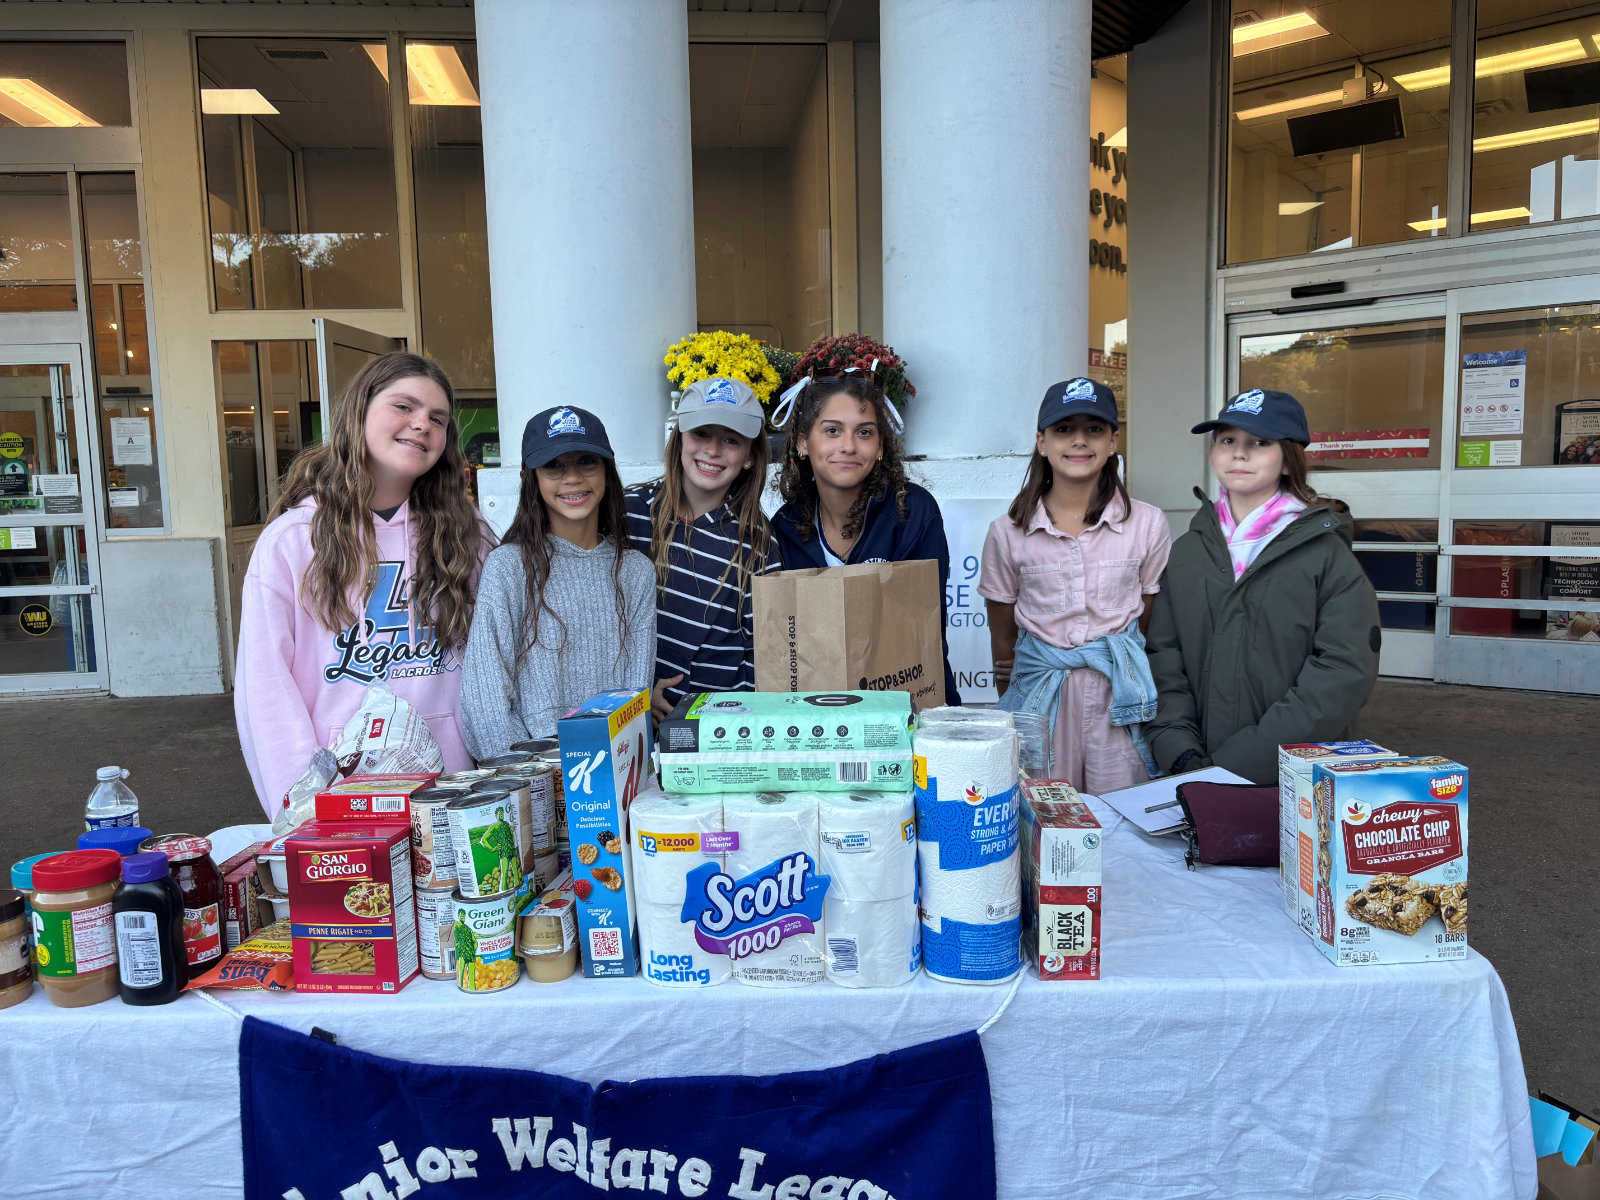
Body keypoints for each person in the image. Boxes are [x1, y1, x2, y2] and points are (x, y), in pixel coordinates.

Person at [235, 352, 491, 820]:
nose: (422, 424)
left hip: (454, 792)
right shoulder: (292, 541)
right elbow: (265, 688)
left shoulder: (467, 535)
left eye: (437, 418)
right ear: (360, 412)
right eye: (404, 406)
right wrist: (301, 807)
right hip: (343, 801)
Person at [1145, 388, 1381, 785]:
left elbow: (1342, 671)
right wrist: (1179, 749)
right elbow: (1164, 656)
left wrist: (1237, 765)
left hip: (1294, 779)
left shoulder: (1326, 554)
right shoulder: (1186, 552)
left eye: (1259, 442)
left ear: (1287, 460)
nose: (1239, 453)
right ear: (1212, 454)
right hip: (1192, 770)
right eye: (1227, 440)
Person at [981, 379, 1171, 793]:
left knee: (1123, 810)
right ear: (1042, 442)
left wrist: (1115, 662)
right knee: (1046, 811)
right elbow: (1003, 637)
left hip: (1118, 699)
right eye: (1064, 429)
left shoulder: (1148, 523)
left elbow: (1149, 621)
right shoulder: (1007, 531)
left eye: (1094, 429)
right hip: (1040, 699)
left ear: (1113, 441)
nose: (1079, 441)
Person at [461, 405, 655, 755]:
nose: (572, 477)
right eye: (553, 465)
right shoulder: (508, 567)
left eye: (587, 461)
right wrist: (530, 775)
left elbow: (635, 697)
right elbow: (485, 700)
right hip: (530, 774)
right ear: (530, 477)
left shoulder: (636, 571)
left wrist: (610, 771)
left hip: (613, 773)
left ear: (607, 471)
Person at [771, 371, 961, 705]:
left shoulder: (913, 511)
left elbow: (924, 631)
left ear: (880, 446)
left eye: (864, 433)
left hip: (909, 706)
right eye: (832, 431)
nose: (848, 446)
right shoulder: (785, 526)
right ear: (803, 442)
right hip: (818, 712)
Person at [626, 377, 778, 720]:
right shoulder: (629, 513)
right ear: (679, 438)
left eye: (731, 440)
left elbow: (764, 653)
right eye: (701, 433)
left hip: (718, 729)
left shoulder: (758, 543)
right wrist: (636, 693)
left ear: (750, 457)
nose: (712, 450)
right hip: (634, 726)